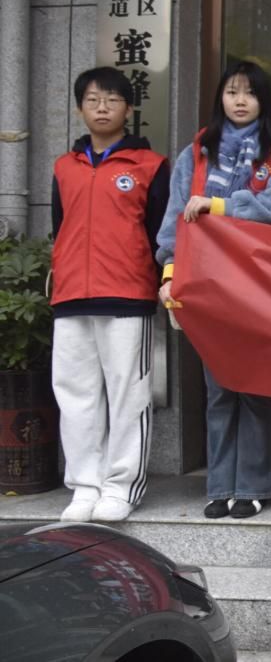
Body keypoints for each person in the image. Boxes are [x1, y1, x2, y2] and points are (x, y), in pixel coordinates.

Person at [157, 61, 271, 520]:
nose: (240, 101)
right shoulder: (196, 153)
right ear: (220, 98)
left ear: (264, 101)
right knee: (218, 389)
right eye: (232, 92)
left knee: (254, 387)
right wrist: (169, 273)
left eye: (250, 93)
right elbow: (175, 217)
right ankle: (220, 487)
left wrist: (217, 205)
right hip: (205, 284)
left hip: (258, 285)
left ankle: (254, 487)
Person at [49, 67, 170, 523]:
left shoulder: (150, 165)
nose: (102, 108)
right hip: (71, 297)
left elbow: (161, 233)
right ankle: (85, 486)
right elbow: (59, 228)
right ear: (79, 108)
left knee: (128, 397)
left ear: (129, 108)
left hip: (127, 294)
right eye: (93, 100)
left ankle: (122, 486)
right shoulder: (64, 167)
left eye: (112, 100)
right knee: (74, 396)